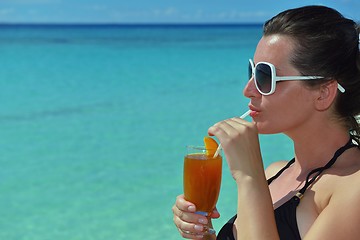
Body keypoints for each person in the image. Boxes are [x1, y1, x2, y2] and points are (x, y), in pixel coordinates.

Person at [172, 5, 360, 240]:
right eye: (251, 71)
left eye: (265, 76)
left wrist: (249, 177)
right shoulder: (276, 172)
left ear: (323, 92)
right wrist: (205, 233)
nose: (248, 90)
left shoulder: (354, 188)